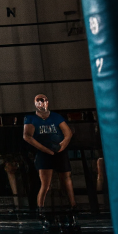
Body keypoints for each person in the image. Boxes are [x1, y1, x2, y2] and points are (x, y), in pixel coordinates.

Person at [23, 93, 75, 224]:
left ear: (47, 102)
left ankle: (73, 206)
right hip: (44, 153)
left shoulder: (56, 117)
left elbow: (68, 133)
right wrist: (45, 149)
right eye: (39, 101)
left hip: (59, 151)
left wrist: (61, 147)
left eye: (44, 100)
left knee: (66, 180)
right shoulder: (30, 118)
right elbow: (27, 136)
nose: (42, 103)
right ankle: (40, 209)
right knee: (45, 184)